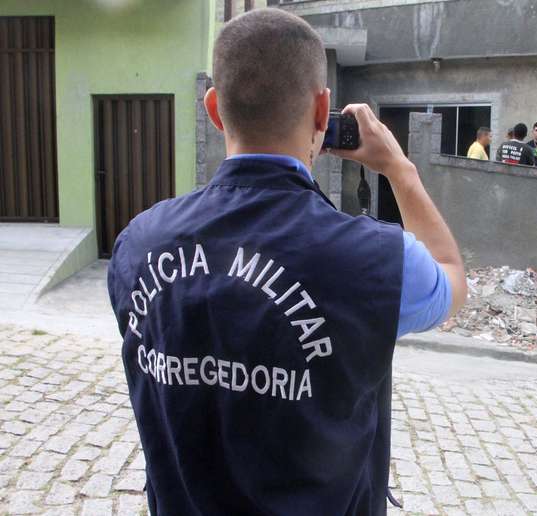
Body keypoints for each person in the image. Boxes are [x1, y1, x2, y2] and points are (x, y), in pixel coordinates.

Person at [106, 8, 467, 516]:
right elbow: (452, 276)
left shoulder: (136, 245)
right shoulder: (376, 259)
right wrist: (400, 170)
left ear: (214, 107)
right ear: (323, 112)